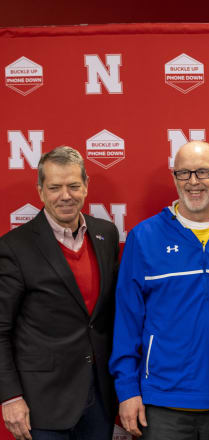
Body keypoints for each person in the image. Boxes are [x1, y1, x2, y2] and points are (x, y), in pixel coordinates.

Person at [109, 141, 209, 439]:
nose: (193, 182)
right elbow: (126, 322)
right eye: (184, 173)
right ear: (174, 178)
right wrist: (126, 391)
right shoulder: (143, 237)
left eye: (203, 172)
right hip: (161, 402)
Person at [0, 146, 120, 440]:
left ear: (86, 186)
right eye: (54, 187)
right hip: (42, 402)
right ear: (40, 191)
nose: (65, 195)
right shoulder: (15, 247)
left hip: (100, 398)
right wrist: (10, 397)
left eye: (73, 186)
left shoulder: (106, 234)